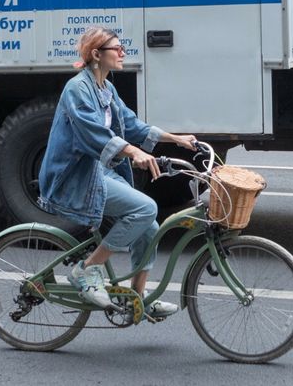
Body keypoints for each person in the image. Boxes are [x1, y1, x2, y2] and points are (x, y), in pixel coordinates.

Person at [37, 27, 198, 317]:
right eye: (117, 49)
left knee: (149, 224)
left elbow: (132, 125)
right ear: (96, 55)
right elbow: (92, 133)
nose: (123, 53)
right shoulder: (77, 88)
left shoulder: (106, 89)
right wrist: (133, 151)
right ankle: (87, 270)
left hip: (99, 172)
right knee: (145, 208)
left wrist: (176, 139)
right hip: (76, 177)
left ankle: (136, 296)